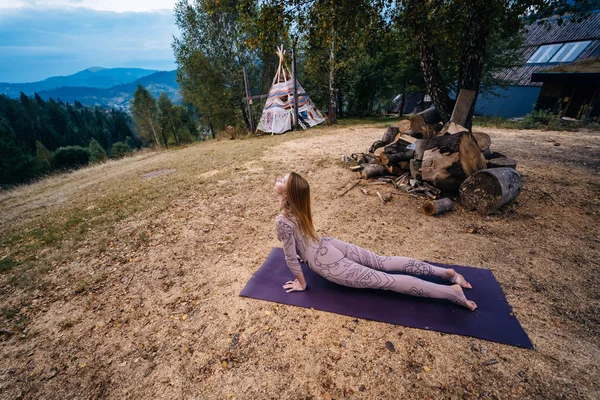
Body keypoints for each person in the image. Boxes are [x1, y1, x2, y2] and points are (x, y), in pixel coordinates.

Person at [274, 172, 477, 311]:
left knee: (387, 280)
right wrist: (304, 257)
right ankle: (447, 274)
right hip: (329, 245)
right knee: (383, 261)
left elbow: (290, 256)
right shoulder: (300, 208)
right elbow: (301, 242)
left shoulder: (283, 220)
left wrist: (302, 284)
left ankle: (452, 292)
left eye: (282, 179)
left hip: (327, 263)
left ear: (289, 192)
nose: (278, 178)